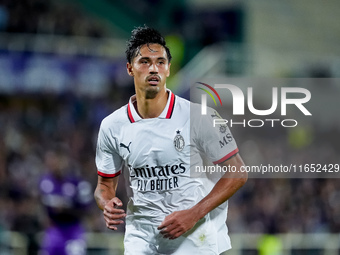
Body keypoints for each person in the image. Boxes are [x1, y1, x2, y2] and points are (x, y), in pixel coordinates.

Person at [94, 25, 247, 254]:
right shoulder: (112, 126)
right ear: (130, 68)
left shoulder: (199, 116)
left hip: (192, 235)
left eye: (161, 62)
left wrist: (194, 213)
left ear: (168, 69)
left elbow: (238, 172)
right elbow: (104, 185)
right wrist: (107, 203)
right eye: (144, 61)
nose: (153, 68)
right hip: (141, 236)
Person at [39, 144, 92, 255]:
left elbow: (86, 210)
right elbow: (41, 204)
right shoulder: (45, 181)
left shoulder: (77, 182)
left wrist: (66, 209)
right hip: (55, 229)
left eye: (56, 159)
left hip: (73, 229)